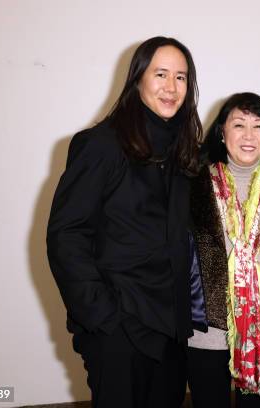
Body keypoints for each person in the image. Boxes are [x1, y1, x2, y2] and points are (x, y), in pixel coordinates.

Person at [46, 36, 202, 408]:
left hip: (171, 332)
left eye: (181, 77)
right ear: (138, 79)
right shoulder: (101, 144)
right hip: (119, 329)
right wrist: (104, 317)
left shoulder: (184, 153)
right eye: (160, 74)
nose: (171, 87)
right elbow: (66, 235)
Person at [187, 92, 260, 407]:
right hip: (207, 330)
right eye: (239, 125)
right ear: (222, 133)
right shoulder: (191, 183)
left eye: (258, 126)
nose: (248, 135)